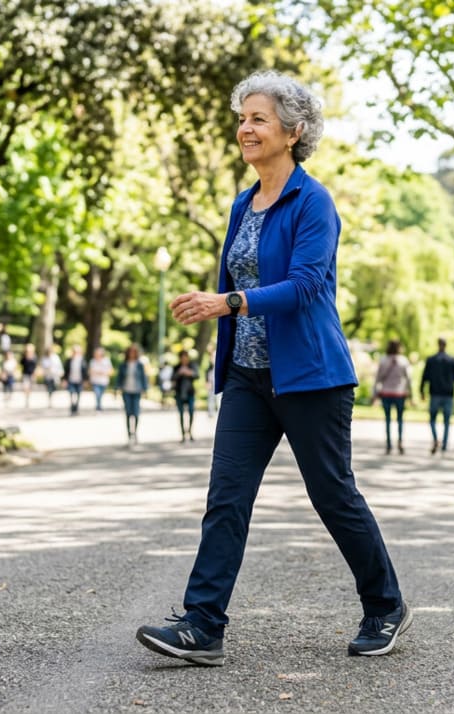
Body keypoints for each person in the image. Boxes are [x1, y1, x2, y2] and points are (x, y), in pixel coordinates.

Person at [135, 71, 409, 667]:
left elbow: (307, 285)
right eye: (242, 119)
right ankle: (203, 625)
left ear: (293, 131)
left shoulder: (313, 202)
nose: (246, 129)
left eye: (258, 119)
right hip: (247, 376)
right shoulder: (243, 203)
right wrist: (222, 307)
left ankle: (385, 606)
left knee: (333, 496)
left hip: (310, 376)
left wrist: (228, 302)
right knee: (226, 498)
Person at [419, 337, 454, 455]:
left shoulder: (431, 360)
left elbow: (424, 377)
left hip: (435, 393)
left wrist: (422, 391)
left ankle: (435, 439)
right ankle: (444, 444)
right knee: (446, 421)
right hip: (448, 394)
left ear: (438, 345)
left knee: (432, 419)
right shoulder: (451, 360)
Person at [373, 339, 411, 455]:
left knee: (388, 419)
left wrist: (374, 393)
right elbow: (408, 378)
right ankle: (400, 441)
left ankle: (389, 444)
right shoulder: (403, 360)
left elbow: (378, 378)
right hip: (400, 393)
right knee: (400, 419)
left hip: (386, 393)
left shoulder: (383, 360)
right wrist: (410, 393)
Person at [116, 344, 148, 445]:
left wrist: (145, 389)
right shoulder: (123, 365)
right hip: (126, 391)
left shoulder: (139, 365)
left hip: (137, 390)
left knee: (136, 412)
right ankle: (129, 434)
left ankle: (135, 432)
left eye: (134, 352)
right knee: (128, 412)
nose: (132, 354)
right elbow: (119, 377)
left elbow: (143, 377)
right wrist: (117, 388)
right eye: (130, 352)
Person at [172, 350, 198, 442]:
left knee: (191, 411)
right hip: (179, 393)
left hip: (190, 392)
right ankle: (183, 434)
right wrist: (179, 373)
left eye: (185, 357)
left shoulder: (192, 365)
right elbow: (172, 378)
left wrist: (188, 372)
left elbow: (197, 375)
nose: (184, 359)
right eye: (182, 358)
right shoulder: (176, 367)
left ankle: (190, 431)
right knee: (181, 413)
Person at [89, 347, 114, 411]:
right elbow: (90, 371)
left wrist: (104, 373)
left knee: (101, 394)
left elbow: (111, 370)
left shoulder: (106, 360)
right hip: (95, 381)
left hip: (104, 381)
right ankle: (98, 406)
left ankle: (99, 405)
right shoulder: (93, 361)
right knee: (97, 394)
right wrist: (97, 372)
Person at [65, 345, 86, 416]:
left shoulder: (82, 360)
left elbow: (85, 371)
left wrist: (85, 380)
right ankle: (72, 408)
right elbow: (66, 371)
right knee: (71, 393)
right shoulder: (69, 360)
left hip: (79, 380)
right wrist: (64, 380)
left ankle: (76, 408)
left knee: (78, 394)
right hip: (71, 380)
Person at [20, 343, 39, 408]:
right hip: (25, 374)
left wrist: (35, 374)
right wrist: (26, 358)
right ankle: (26, 397)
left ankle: (28, 397)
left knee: (30, 387)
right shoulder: (24, 356)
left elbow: (36, 366)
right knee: (25, 387)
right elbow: (21, 363)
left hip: (31, 374)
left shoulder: (34, 357)